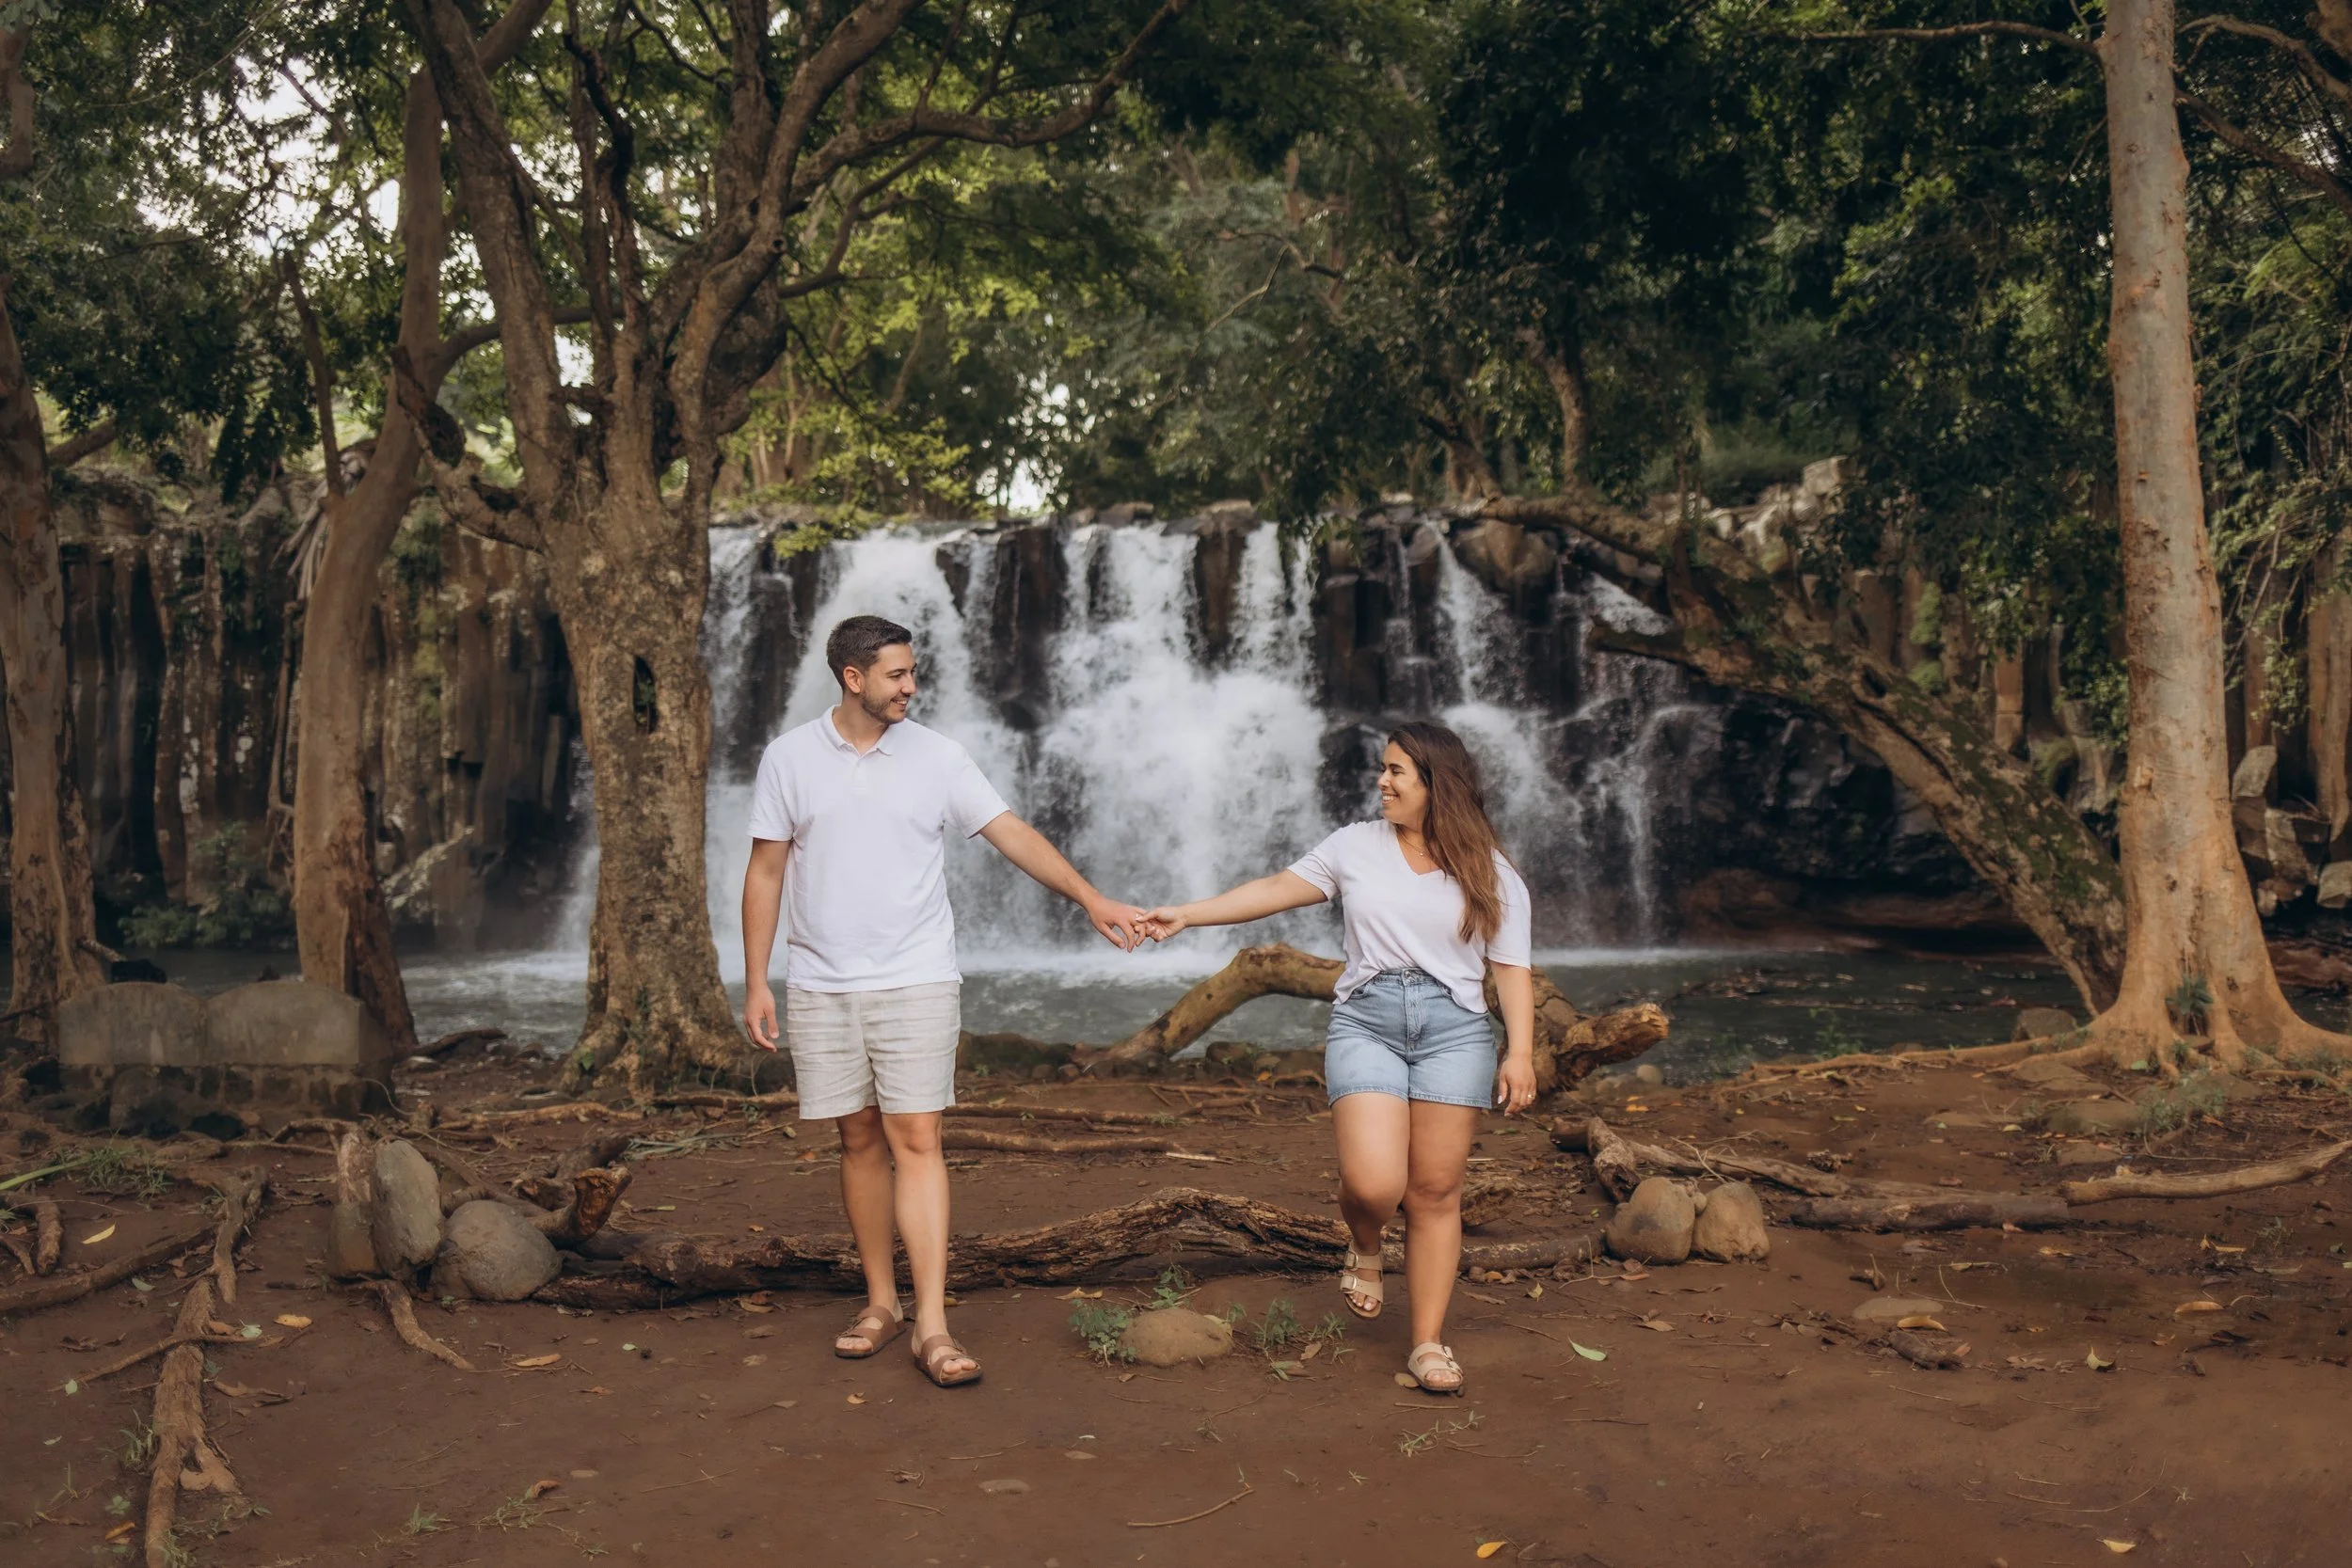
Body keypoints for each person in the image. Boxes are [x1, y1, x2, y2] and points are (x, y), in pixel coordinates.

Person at [740, 613, 1147, 1388]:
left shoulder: (938, 756)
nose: (911, 686)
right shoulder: (789, 758)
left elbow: (1012, 832)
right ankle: (881, 1303)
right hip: (823, 980)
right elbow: (765, 870)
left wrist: (1091, 899)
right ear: (853, 678)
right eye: (897, 674)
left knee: (918, 1136)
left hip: (917, 974)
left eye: (913, 672)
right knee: (857, 1138)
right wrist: (758, 978)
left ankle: (932, 1321)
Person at [1137, 721, 1535, 1394]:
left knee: (1435, 1192)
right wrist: (1186, 914)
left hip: (1456, 1031)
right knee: (1375, 1184)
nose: (1382, 781)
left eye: (1396, 770)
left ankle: (1427, 1342)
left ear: (1436, 782)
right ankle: (1367, 1240)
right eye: (1384, 768)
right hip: (1367, 1022)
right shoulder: (1355, 844)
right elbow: (1273, 887)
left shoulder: (1492, 871)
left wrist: (1520, 1052)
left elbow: (1512, 968)